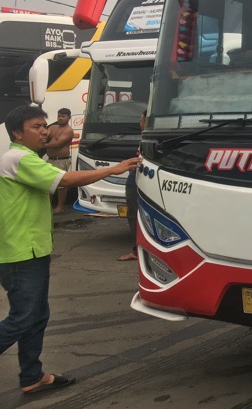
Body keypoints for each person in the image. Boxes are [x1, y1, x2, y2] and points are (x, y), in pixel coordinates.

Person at [0, 104, 141, 395]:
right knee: (24, 317)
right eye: (36, 127)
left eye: (44, 125)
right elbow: (65, 180)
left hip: (32, 250)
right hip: (19, 252)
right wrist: (113, 169)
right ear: (17, 132)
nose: (44, 131)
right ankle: (32, 375)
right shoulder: (18, 158)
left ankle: (32, 376)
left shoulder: (26, 158)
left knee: (37, 316)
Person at [118, 110, 146, 262]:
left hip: (138, 179)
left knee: (135, 215)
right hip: (135, 177)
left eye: (141, 120)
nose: (139, 123)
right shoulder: (145, 138)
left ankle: (138, 251)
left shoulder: (151, 138)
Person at [42, 108, 74, 214]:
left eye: (63, 116)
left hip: (62, 159)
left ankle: (60, 207)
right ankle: (47, 205)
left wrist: (42, 145)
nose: (60, 118)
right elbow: (44, 136)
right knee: (48, 183)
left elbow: (58, 144)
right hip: (51, 159)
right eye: (59, 116)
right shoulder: (53, 127)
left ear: (69, 117)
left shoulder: (68, 130)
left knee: (61, 185)